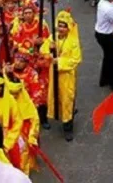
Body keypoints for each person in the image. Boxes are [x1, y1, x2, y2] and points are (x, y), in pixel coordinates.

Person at [46, 10, 82, 141]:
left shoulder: (73, 41)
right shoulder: (53, 37)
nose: (60, 29)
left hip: (66, 76)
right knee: (55, 96)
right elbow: (43, 51)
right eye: (59, 26)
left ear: (68, 28)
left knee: (67, 99)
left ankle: (68, 126)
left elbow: (76, 59)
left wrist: (59, 62)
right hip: (53, 74)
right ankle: (59, 114)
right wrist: (49, 50)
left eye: (63, 26)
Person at [0, 72, 24, 168]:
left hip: (5, 139)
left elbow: (18, 122)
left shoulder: (10, 101)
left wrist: (7, 143)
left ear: (2, 87)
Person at [5, 76, 39, 175]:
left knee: (23, 156)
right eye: (12, 93)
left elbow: (34, 119)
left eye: (16, 93)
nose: (14, 96)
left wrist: (32, 135)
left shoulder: (26, 101)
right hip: (8, 134)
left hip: (22, 135)